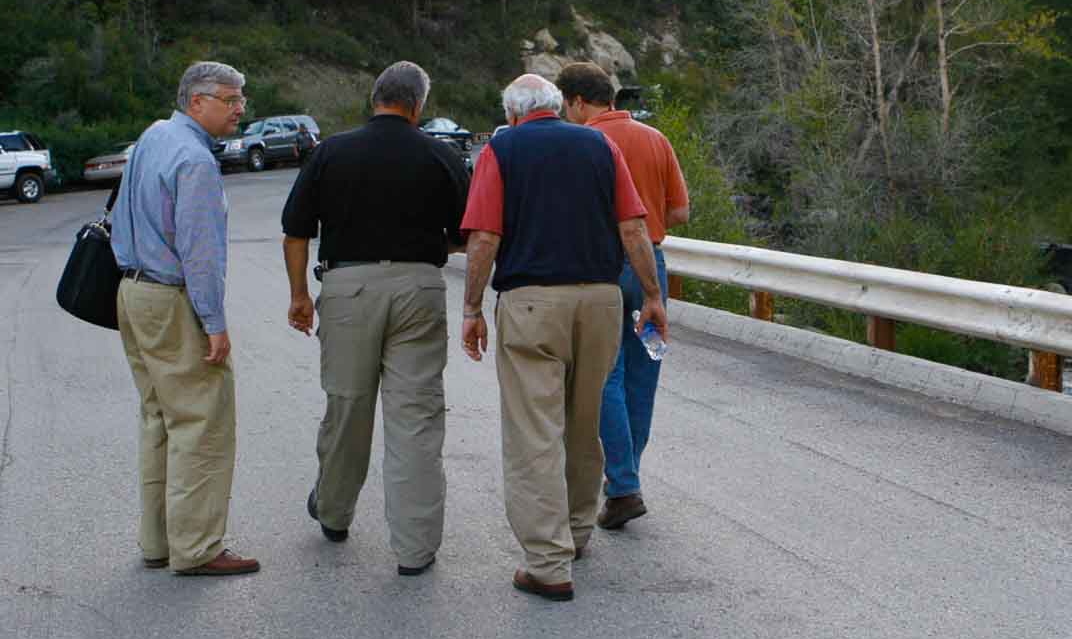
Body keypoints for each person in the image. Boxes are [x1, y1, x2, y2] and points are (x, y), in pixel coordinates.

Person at [459, 74, 666, 602]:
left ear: (511, 114)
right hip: (600, 300)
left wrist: (471, 306)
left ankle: (548, 564)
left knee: (535, 429)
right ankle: (576, 533)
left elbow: (484, 236)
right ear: (560, 107)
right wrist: (651, 295)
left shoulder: (502, 149)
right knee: (582, 420)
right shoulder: (599, 144)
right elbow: (633, 228)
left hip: (532, 302)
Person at [282, 61, 471, 577]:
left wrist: (300, 294)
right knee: (416, 418)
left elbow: (296, 231)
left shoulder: (331, 152)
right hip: (419, 288)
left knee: (347, 405)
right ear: (419, 105)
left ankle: (336, 512)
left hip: (347, 288)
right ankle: (414, 549)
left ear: (374, 98)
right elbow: (466, 233)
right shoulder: (443, 155)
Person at [110, 61, 258, 576]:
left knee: (159, 418)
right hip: (171, 298)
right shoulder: (194, 160)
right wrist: (213, 323)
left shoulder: (154, 136)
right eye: (230, 99)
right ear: (197, 101)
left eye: (241, 98)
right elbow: (200, 251)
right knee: (201, 420)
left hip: (131, 291)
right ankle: (197, 548)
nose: (240, 108)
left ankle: (159, 541)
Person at [553, 62, 690, 532]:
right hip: (652, 268)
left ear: (576, 101)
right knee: (646, 367)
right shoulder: (656, 140)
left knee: (605, 373)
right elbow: (680, 211)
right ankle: (626, 479)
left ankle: (624, 484)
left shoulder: (584, 143)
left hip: (605, 268)